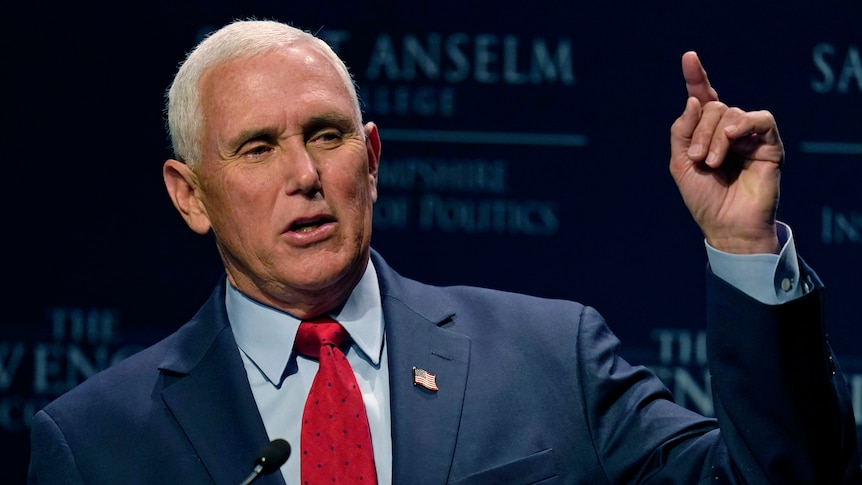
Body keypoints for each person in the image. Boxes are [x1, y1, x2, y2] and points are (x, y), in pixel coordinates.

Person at [27, 18, 860, 485]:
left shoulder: (550, 358)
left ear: (375, 159)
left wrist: (743, 244)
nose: (307, 174)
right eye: (256, 148)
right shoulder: (95, 443)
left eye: (327, 135)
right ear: (188, 194)